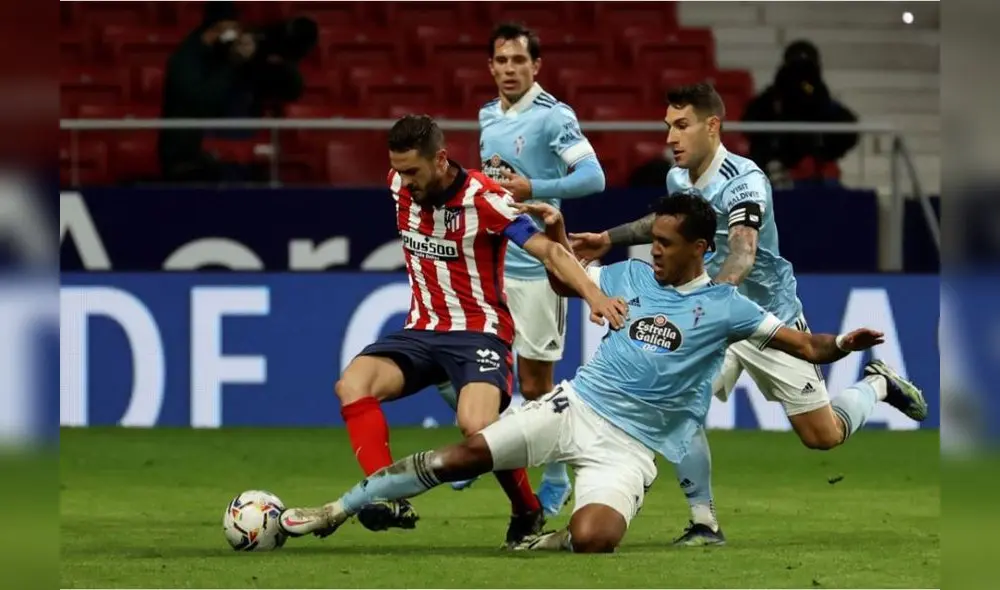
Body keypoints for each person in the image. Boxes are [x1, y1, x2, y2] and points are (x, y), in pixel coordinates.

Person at [276, 193, 894, 554]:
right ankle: (336, 509)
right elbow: (559, 278)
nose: (655, 250)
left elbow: (807, 347)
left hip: (631, 448)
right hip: (575, 408)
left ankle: (547, 538)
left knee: (595, 539)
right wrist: (557, 238)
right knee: (460, 456)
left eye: (668, 243)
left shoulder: (729, 307)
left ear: (701, 249)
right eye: (654, 238)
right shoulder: (627, 275)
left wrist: (843, 342)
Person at [568, 83, 928, 546]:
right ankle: (704, 522)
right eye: (667, 127)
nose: (670, 138)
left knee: (822, 436)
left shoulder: (745, 181)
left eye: (682, 126)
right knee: (681, 405)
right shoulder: (679, 180)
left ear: (712, 126)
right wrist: (609, 238)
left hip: (764, 314)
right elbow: (667, 224)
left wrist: (715, 299)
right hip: (711, 317)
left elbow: (743, 249)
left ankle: (879, 383)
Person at [330, 114, 627, 549]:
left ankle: (526, 509)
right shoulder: (398, 184)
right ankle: (388, 496)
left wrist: (591, 295)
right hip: (422, 329)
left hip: (478, 334)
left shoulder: (484, 199)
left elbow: (547, 250)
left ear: (441, 159)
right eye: (398, 169)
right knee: (352, 384)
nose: (404, 180)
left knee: (478, 426)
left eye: (413, 170)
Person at [439, 23, 606, 517]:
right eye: (502, 61)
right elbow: (494, 183)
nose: (510, 69)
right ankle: (482, 450)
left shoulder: (555, 117)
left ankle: (556, 473)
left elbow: (593, 178)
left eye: (519, 61)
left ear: (536, 66)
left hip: (538, 269)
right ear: (490, 67)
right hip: (491, 261)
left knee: (535, 386)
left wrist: (534, 187)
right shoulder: (488, 114)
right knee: (467, 370)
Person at [741, 40, 859, 187]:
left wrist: (823, 150)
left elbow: (849, 132)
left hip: (815, 167)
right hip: (773, 166)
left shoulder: (821, 98)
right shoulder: (771, 99)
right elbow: (748, 125)